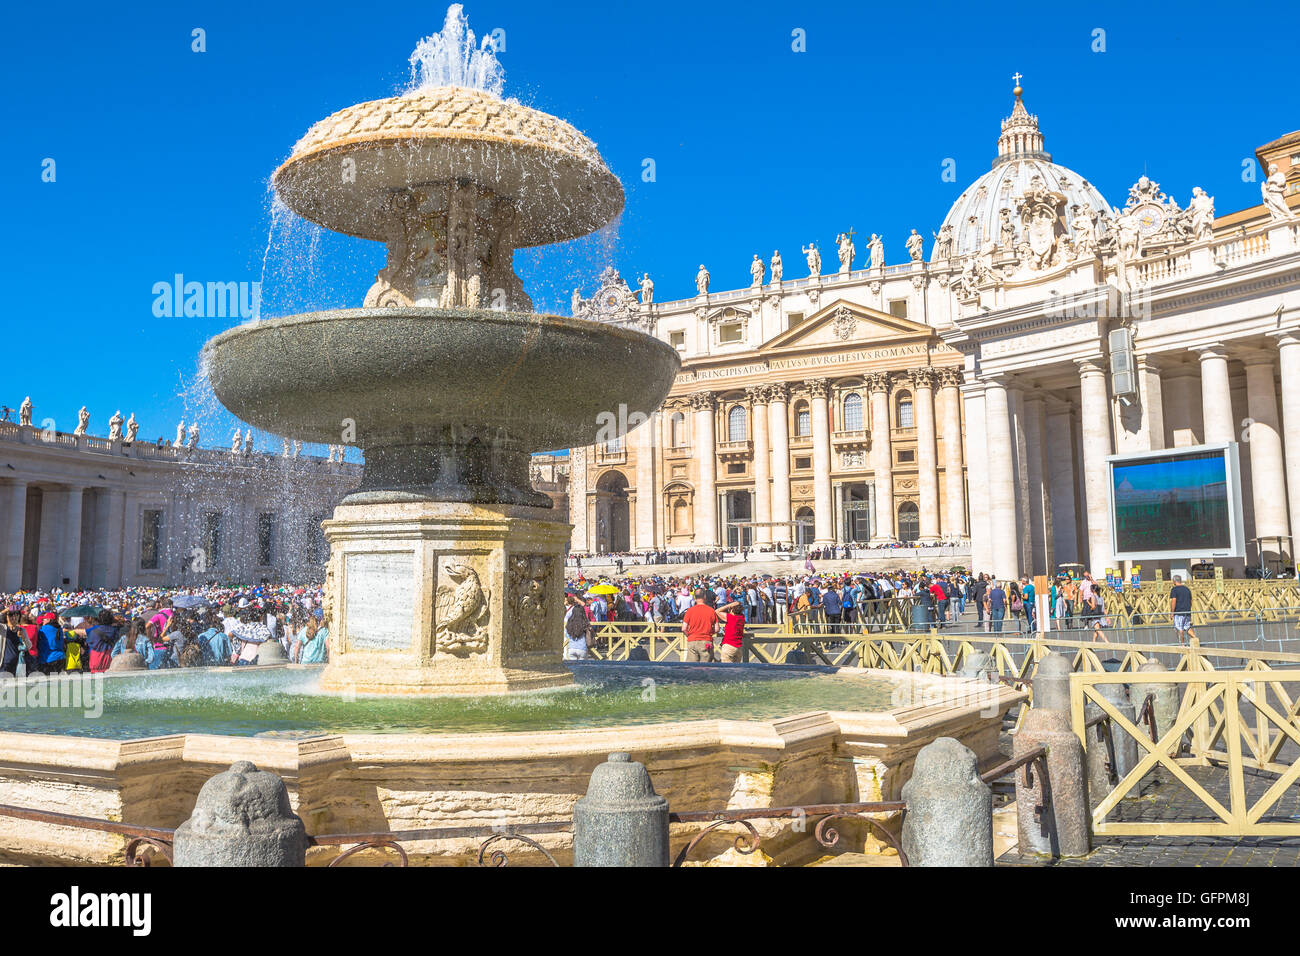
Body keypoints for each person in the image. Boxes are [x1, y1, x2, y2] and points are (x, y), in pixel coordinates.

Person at [682, 588, 723, 662]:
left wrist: (689, 635)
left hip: (692, 640)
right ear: (705, 597)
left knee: (692, 668)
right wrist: (710, 632)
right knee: (706, 668)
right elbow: (717, 629)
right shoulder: (711, 610)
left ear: (694, 598)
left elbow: (684, 628)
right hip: (706, 640)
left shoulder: (689, 611)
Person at [564, 594, 593, 660]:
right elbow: (589, 633)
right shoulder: (585, 622)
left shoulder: (570, 623)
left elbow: (567, 635)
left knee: (573, 669)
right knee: (583, 669)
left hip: (571, 648)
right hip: (582, 648)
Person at [1169, 574, 1196, 644]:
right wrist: (1189, 609)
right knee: (1187, 627)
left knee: (1179, 628)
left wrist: (1172, 612)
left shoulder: (1174, 590)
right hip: (1187, 611)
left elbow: (1174, 601)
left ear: (1174, 581)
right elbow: (1191, 600)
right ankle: (1195, 639)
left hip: (1179, 612)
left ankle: (1182, 645)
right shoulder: (1187, 589)